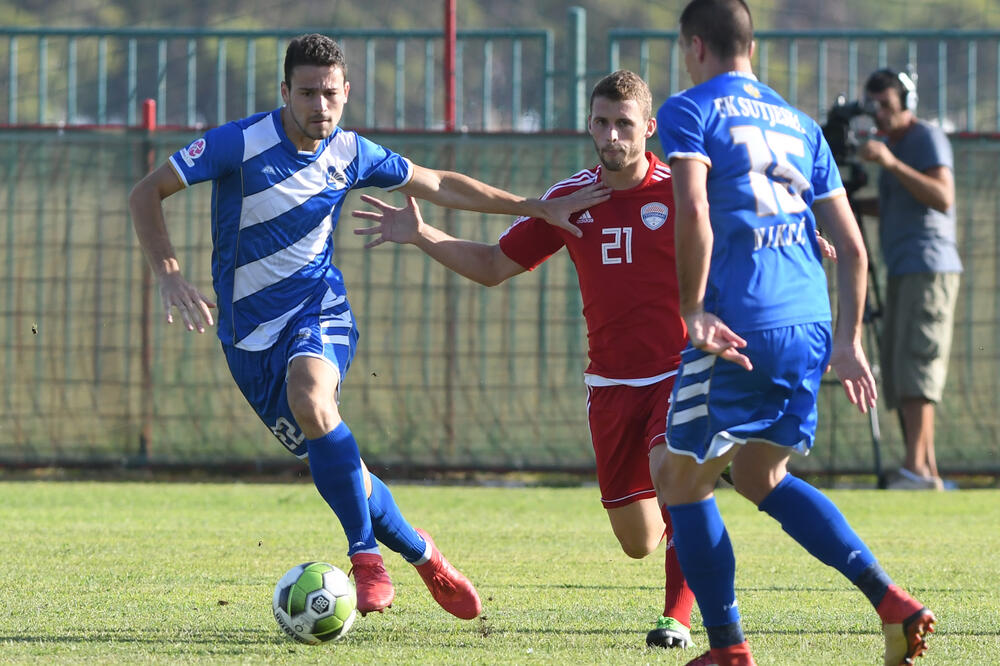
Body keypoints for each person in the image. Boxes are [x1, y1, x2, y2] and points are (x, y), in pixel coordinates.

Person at [128, 33, 608, 621]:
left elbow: (438, 183)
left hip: (316, 309)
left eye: (330, 94)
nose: (319, 107)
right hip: (247, 341)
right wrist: (169, 273)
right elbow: (146, 190)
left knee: (311, 394)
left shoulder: (351, 152)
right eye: (306, 93)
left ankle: (365, 558)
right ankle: (425, 555)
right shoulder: (240, 142)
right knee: (343, 467)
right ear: (284, 92)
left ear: (346, 93)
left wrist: (532, 206)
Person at [352, 70, 697, 649]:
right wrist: (421, 234)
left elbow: (742, 224)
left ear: (649, 128)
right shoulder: (570, 200)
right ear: (589, 124)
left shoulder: (680, 190)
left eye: (624, 124)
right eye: (601, 122)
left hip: (679, 369)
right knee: (638, 541)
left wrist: (800, 236)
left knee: (673, 474)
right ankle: (691, 518)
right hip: (611, 383)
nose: (611, 135)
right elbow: (492, 266)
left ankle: (677, 617)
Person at [648, 2, 936, 665]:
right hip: (807, 325)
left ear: (696, 47)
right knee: (760, 474)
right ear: (750, 44)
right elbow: (854, 249)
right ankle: (890, 600)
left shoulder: (690, 111)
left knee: (677, 477)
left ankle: (728, 648)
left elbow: (694, 206)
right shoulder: (802, 125)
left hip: (737, 326)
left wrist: (692, 308)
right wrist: (847, 341)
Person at [858, 69, 961, 491]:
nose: (878, 114)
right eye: (873, 106)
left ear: (907, 103)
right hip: (903, 267)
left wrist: (891, 162)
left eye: (886, 105)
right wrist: (846, 203)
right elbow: (896, 204)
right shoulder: (894, 147)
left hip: (928, 266)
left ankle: (915, 469)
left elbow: (942, 196)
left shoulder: (925, 139)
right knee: (902, 370)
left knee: (918, 364)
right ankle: (925, 470)